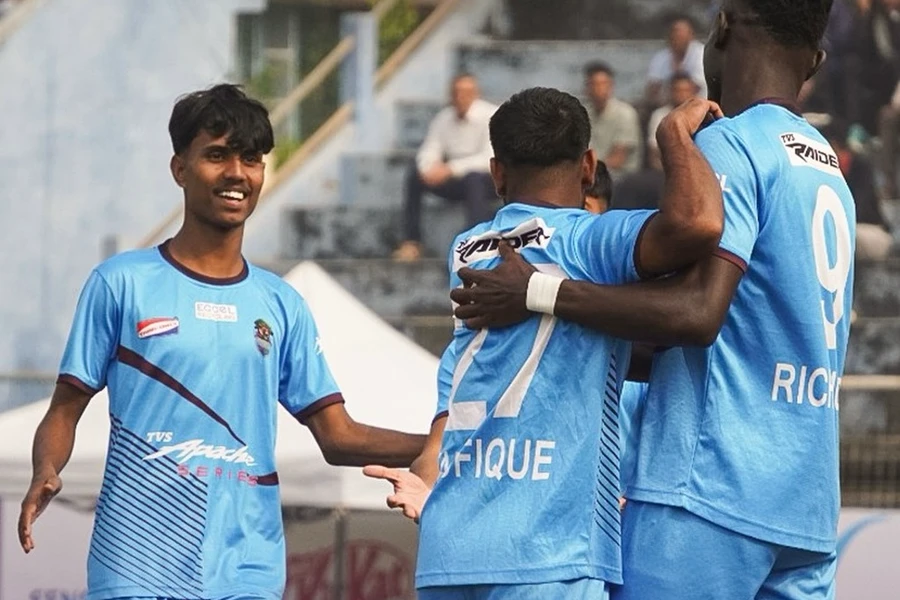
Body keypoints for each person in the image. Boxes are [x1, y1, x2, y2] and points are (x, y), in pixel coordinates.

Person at [449, 1, 856, 598]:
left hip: (711, 489)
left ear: (721, 29)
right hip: (806, 505)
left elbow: (696, 314)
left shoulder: (728, 143)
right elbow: (746, 334)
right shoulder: (827, 167)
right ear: (815, 61)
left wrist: (539, 292)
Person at [17, 84, 426, 600]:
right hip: (137, 562)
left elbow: (338, 437)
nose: (237, 173)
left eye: (251, 159)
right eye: (217, 155)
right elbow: (63, 411)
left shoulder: (282, 303)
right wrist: (46, 469)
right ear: (180, 168)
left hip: (248, 568)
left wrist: (440, 442)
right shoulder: (121, 283)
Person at [366, 86, 725, 600]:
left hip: (450, 548)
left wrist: (427, 480)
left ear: (496, 173)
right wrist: (672, 135)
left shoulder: (466, 251)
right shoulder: (591, 241)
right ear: (588, 167)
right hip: (549, 551)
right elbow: (699, 223)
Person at [393, 74, 498, 262]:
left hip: (487, 181)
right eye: (456, 93)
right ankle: (412, 241)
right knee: (414, 175)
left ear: (476, 94)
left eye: (466, 93)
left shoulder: (490, 116)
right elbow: (429, 149)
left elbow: (489, 158)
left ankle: (476, 242)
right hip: (455, 179)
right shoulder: (443, 118)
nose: (461, 97)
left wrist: (451, 168)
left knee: (474, 179)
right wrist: (428, 169)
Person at [822, 119, 894, 259]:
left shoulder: (861, 167)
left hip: (872, 229)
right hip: (846, 228)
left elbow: (860, 207)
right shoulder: (826, 172)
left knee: (844, 237)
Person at [583, 62, 643, 181]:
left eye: (603, 84)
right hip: (589, 175)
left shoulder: (625, 113)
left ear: (611, 86)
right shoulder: (583, 112)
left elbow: (618, 158)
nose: (599, 89)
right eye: (594, 84)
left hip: (621, 178)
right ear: (587, 87)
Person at [645, 15, 708, 106]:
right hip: (666, 105)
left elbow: (695, 87)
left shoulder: (701, 54)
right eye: (675, 34)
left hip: (698, 105)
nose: (678, 38)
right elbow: (652, 87)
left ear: (691, 36)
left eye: (681, 35)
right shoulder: (660, 57)